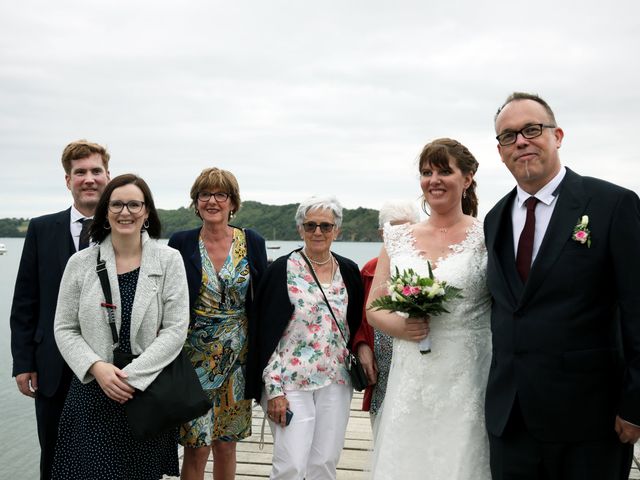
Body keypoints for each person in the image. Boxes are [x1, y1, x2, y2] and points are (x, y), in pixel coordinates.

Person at [484, 92, 640, 480]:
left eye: (532, 130)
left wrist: (636, 403)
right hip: (511, 418)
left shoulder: (612, 205)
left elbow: (638, 309)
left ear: (558, 135)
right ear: (501, 151)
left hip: (590, 420)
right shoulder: (494, 218)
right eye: (508, 136)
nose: (520, 141)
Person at [367, 139, 492, 479]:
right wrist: (401, 328)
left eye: (444, 171)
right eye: (426, 172)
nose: (433, 179)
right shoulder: (397, 238)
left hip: (469, 374)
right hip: (413, 376)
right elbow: (374, 308)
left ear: (467, 178)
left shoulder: (488, 235)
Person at [51, 173, 189, 479]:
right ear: (105, 212)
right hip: (92, 394)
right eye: (116, 204)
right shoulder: (80, 263)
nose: (125, 212)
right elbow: (64, 327)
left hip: (146, 393)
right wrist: (97, 368)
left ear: (147, 212)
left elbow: (176, 328)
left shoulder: (169, 261)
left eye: (133, 204)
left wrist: (131, 377)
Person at [9, 139, 110, 480]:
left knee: (104, 459)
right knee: (52, 458)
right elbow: (25, 301)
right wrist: (23, 363)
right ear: (68, 181)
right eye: (80, 172)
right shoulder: (41, 229)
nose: (89, 178)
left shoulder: (125, 230)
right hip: (50, 366)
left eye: (96, 171)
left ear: (108, 176)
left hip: (107, 368)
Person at [247, 195, 364, 480]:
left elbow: (357, 322)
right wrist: (273, 389)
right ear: (300, 229)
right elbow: (264, 332)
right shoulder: (281, 270)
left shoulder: (348, 270)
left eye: (326, 226)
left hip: (336, 379)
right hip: (290, 381)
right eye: (310, 225)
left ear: (337, 230)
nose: (318, 232)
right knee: (291, 464)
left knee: (324, 462)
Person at [168, 167, 268, 480]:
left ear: (232, 202)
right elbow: (166, 295)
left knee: (226, 444)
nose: (212, 201)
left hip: (238, 358)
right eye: (205, 194)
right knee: (196, 445)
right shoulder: (181, 242)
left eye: (220, 194)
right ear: (196, 202)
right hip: (192, 358)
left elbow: (263, 298)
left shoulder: (251, 241)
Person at [352, 200, 420, 436]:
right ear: (382, 233)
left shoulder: (427, 267)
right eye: (394, 229)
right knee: (383, 435)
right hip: (381, 372)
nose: (402, 235)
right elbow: (357, 317)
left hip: (418, 367)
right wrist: (361, 345)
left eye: (408, 228)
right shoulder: (370, 269)